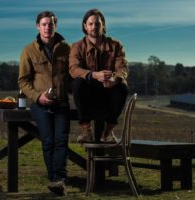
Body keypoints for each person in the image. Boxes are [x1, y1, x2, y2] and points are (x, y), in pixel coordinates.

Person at [18, 11, 71, 196]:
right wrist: (37, 97)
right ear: (38, 26)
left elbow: (71, 76)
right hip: (39, 103)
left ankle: (59, 179)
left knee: (61, 140)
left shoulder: (66, 48)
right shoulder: (28, 50)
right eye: (44, 24)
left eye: (51, 24)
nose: (47, 27)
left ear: (56, 26)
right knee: (48, 141)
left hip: (61, 102)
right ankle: (54, 179)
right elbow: (23, 81)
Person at [69, 9, 129, 143]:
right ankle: (86, 130)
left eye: (97, 23)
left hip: (109, 91)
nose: (94, 27)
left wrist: (115, 79)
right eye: (90, 24)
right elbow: (73, 69)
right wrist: (95, 75)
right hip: (88, 94)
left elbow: (122, 67)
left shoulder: (116, 45)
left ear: (103, 25)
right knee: (78, 83)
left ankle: (108, 132)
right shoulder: (77, 46)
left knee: (123, 87)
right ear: (85, 26)